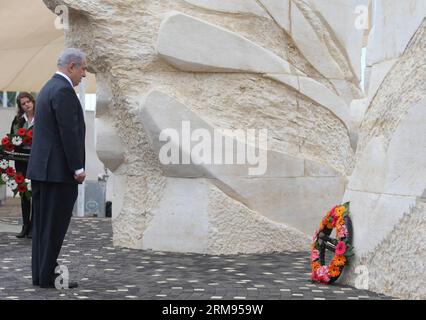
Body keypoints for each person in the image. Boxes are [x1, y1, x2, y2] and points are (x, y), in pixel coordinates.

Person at [27, 48, 87, 289]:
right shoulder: (63, 90)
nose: (84, 74)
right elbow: (68, 133)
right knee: (53, 227)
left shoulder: (46, 87)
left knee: (42, 226)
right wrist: (78, 168)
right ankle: (48, 276)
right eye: (83, 68)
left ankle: (41, 274)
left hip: (42, 170)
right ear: (71, 66)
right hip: (58, 172)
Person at [11, 92, 35, 239]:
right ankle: (25, 226)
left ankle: (34, 227)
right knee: (24, 194)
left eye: (28, 102)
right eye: (23, 103)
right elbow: (12, 137)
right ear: (20, 106)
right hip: (21, 160)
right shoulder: (18, 120)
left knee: (36, 194)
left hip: (36, 160)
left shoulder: (42, 117)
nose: (27, 105)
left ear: (33, 101)